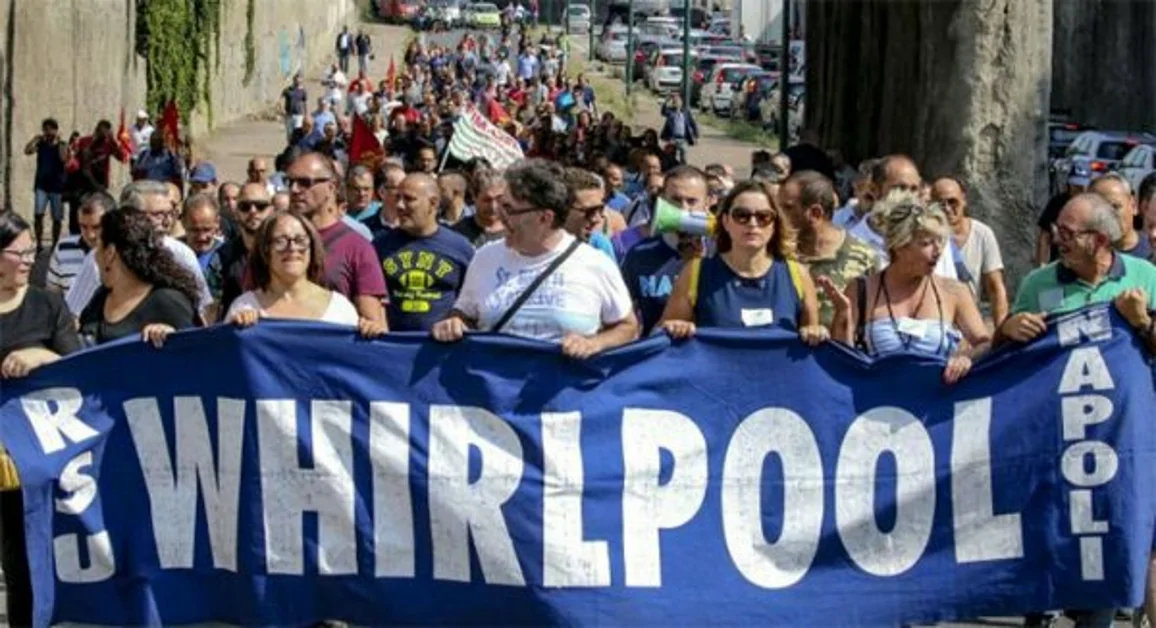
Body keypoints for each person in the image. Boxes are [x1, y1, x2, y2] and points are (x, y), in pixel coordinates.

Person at [997, 192, 1156, 628]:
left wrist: (1142, 322)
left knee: (1106, 543)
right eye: (1057, 230)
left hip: (1116, 447)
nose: (1057, 239)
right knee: (1046, 540)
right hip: (1053, 443)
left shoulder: (1144, 277)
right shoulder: (1040, 283)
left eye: (1068, 233)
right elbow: (1008, 360)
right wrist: (1007, 330)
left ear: (1100, 240)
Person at [431, 159, 639, 357]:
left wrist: (594, 344)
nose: (499, 214)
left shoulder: (595, 263)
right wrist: (454, 323)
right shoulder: (485, 258)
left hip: (563, 389)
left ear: (545, 217)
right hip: (494, 388)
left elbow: (628, 326)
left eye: (510, 209)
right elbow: (463, 313)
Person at [0, 212, 81, 628]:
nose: (30, 260)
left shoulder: (47, 304)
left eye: (34, 250)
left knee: (25, 563)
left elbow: (78, 365)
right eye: (20, 252)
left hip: (32, 458)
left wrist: (41, 357)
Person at [821, 192, 991, 385]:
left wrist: (967, 357)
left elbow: (984, 343)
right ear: (899, 246)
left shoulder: (954, 292)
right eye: (926, 243)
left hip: (935, 406)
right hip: (875, 406)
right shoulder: (862, 289)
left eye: (940, 241)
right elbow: (841, 360)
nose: (938, 251)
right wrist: (843, 314)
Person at [657, 180, 827, 343]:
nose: (753, 224)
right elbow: (665, 336)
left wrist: (816, 332)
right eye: (741, 215)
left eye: (763, 217)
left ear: (774, 224)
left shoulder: (797, 274)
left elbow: (810, 339)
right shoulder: (696, 272)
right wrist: (676, 328)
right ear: (725, 221)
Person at [66, 180, 213, 319]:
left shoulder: (181, 253)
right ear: (131, 216)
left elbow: (204, 309)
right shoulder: (101, 257)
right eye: (158, 215)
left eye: (170, 213)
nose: (167, 222)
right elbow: (74, 312)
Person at [227, 211, 384, 338]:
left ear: (312, 248)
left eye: (300, 240)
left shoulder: (339, 308)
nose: (292, 248)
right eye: (280, 241)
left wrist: (370, 333)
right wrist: (235, 332)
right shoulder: (244, 307)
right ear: (265, 251)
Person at [285, 152, 387, 325]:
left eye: (304, 183)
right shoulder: (274, 241)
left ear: (331, 187)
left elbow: (374, 323)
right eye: (290, 182)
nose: (294, 189)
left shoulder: (357, 247)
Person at [78, 209, 201, 347]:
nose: (95, 256)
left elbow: (198, 351)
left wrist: (172, 337)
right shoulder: (99, 299)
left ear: (110, 253)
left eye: (99, 247)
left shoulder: (168, 301)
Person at [374, 174, 474, 331]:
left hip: (443, 348)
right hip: (393, 346)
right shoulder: (380, 246)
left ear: (433, 203)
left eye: (409, 199)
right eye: (398, 198)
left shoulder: (461, 248)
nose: (400, 205)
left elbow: (472, 303)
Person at [779, 170, 877, 327]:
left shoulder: (863, 258)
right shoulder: (777, 255)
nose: (777, 215)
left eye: (787, 208)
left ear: (815, 213)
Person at [619, 166, 708, 335]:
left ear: (708, 202)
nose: (683, 209)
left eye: (692, 201)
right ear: (662, 201)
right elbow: (623, 317)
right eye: (675, 199)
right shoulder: (639, 255)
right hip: (658, 356)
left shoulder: (721, 253)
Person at [931, 176, 1008, 326]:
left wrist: (1001, 331)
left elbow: (995, 287)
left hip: (969, 320)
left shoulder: (982, 234)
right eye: (940, 204)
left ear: (964, 200)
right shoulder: (926, 238)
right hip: (935, 319)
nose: (947, 208)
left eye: (952, 201)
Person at [47, 191, 113, 294]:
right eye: (83, 227)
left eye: (96, 227)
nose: (90, 235)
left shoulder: (123, 253)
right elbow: (52, 296)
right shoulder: (63, 248)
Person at [24, 117, 69, 251]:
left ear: (55, 130)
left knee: (57, 218)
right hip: (41, 186)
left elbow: (64, 158)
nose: (47, 132)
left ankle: (55, 244)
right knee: (38, 214)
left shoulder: (62, 144)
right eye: (45, 129)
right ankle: (39, 243)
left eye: (50, 129)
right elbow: (27, 151)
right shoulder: (41, 144)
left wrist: (59, 142)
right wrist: (35, 139)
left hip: (57, 187)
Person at [1089, 173, 1150, 259]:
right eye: (1101, 209)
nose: (1109, 215)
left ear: (1133, 205)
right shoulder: (1087, 256)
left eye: (1115, 206)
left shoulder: (1152, 250)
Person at [562, 168, 616, 261]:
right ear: (563, 209)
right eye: (590, 211)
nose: (597, 219)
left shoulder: (599, 245)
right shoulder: (534, 246)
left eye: (600, 209)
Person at [451, 168, 506, 247]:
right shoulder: (457, 233)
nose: (493, 206)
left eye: (499, 199)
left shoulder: (515, 237)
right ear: (474, 197)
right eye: (487, 200)